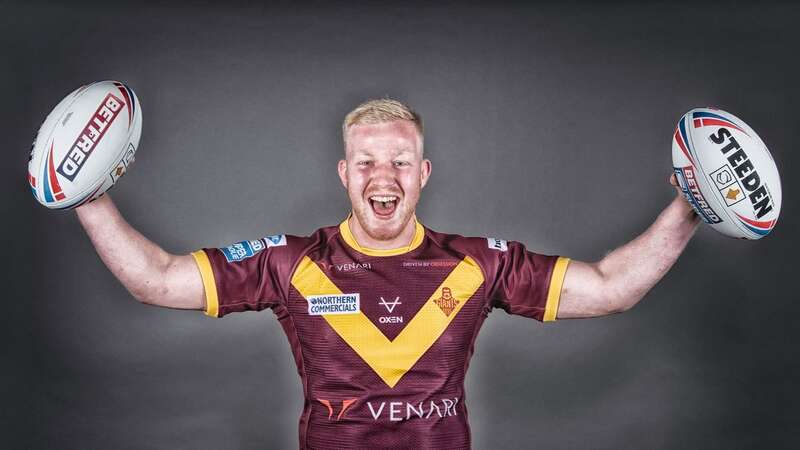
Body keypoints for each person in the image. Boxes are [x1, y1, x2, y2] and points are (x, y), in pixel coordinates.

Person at [75, 98, 699, 449]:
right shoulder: (289, 262)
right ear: (344, 174)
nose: (384, 176)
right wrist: (85, 195)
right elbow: (154, 279)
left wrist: (691, 207)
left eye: (401, 160)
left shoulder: (479, 263)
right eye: (367, 160)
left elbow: (611, 287)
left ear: (422, 174)